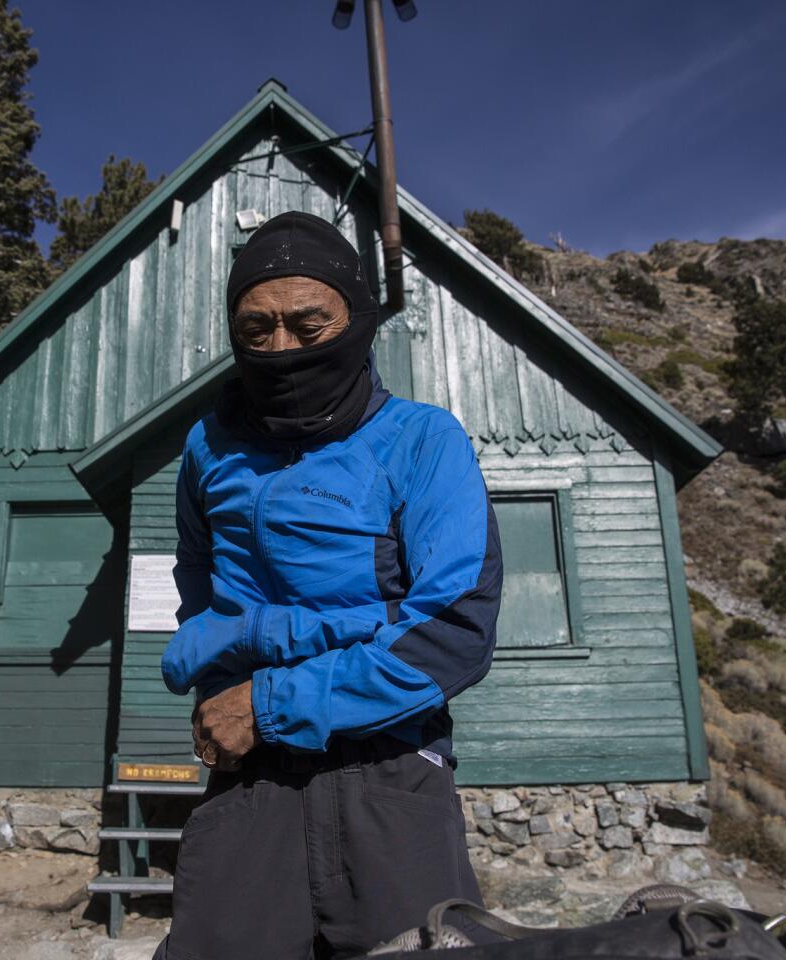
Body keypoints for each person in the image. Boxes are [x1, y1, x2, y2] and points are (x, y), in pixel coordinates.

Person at [152, 211, 503, 960]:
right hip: (251, 786)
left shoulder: (422, 440)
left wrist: (270, 700)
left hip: (390, 775)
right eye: (257, 330)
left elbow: (452, 631)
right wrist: (223, 698)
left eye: (308, 328)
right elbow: (200, 599)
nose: (282, 348)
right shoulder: (207, 450)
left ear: (356, 319)